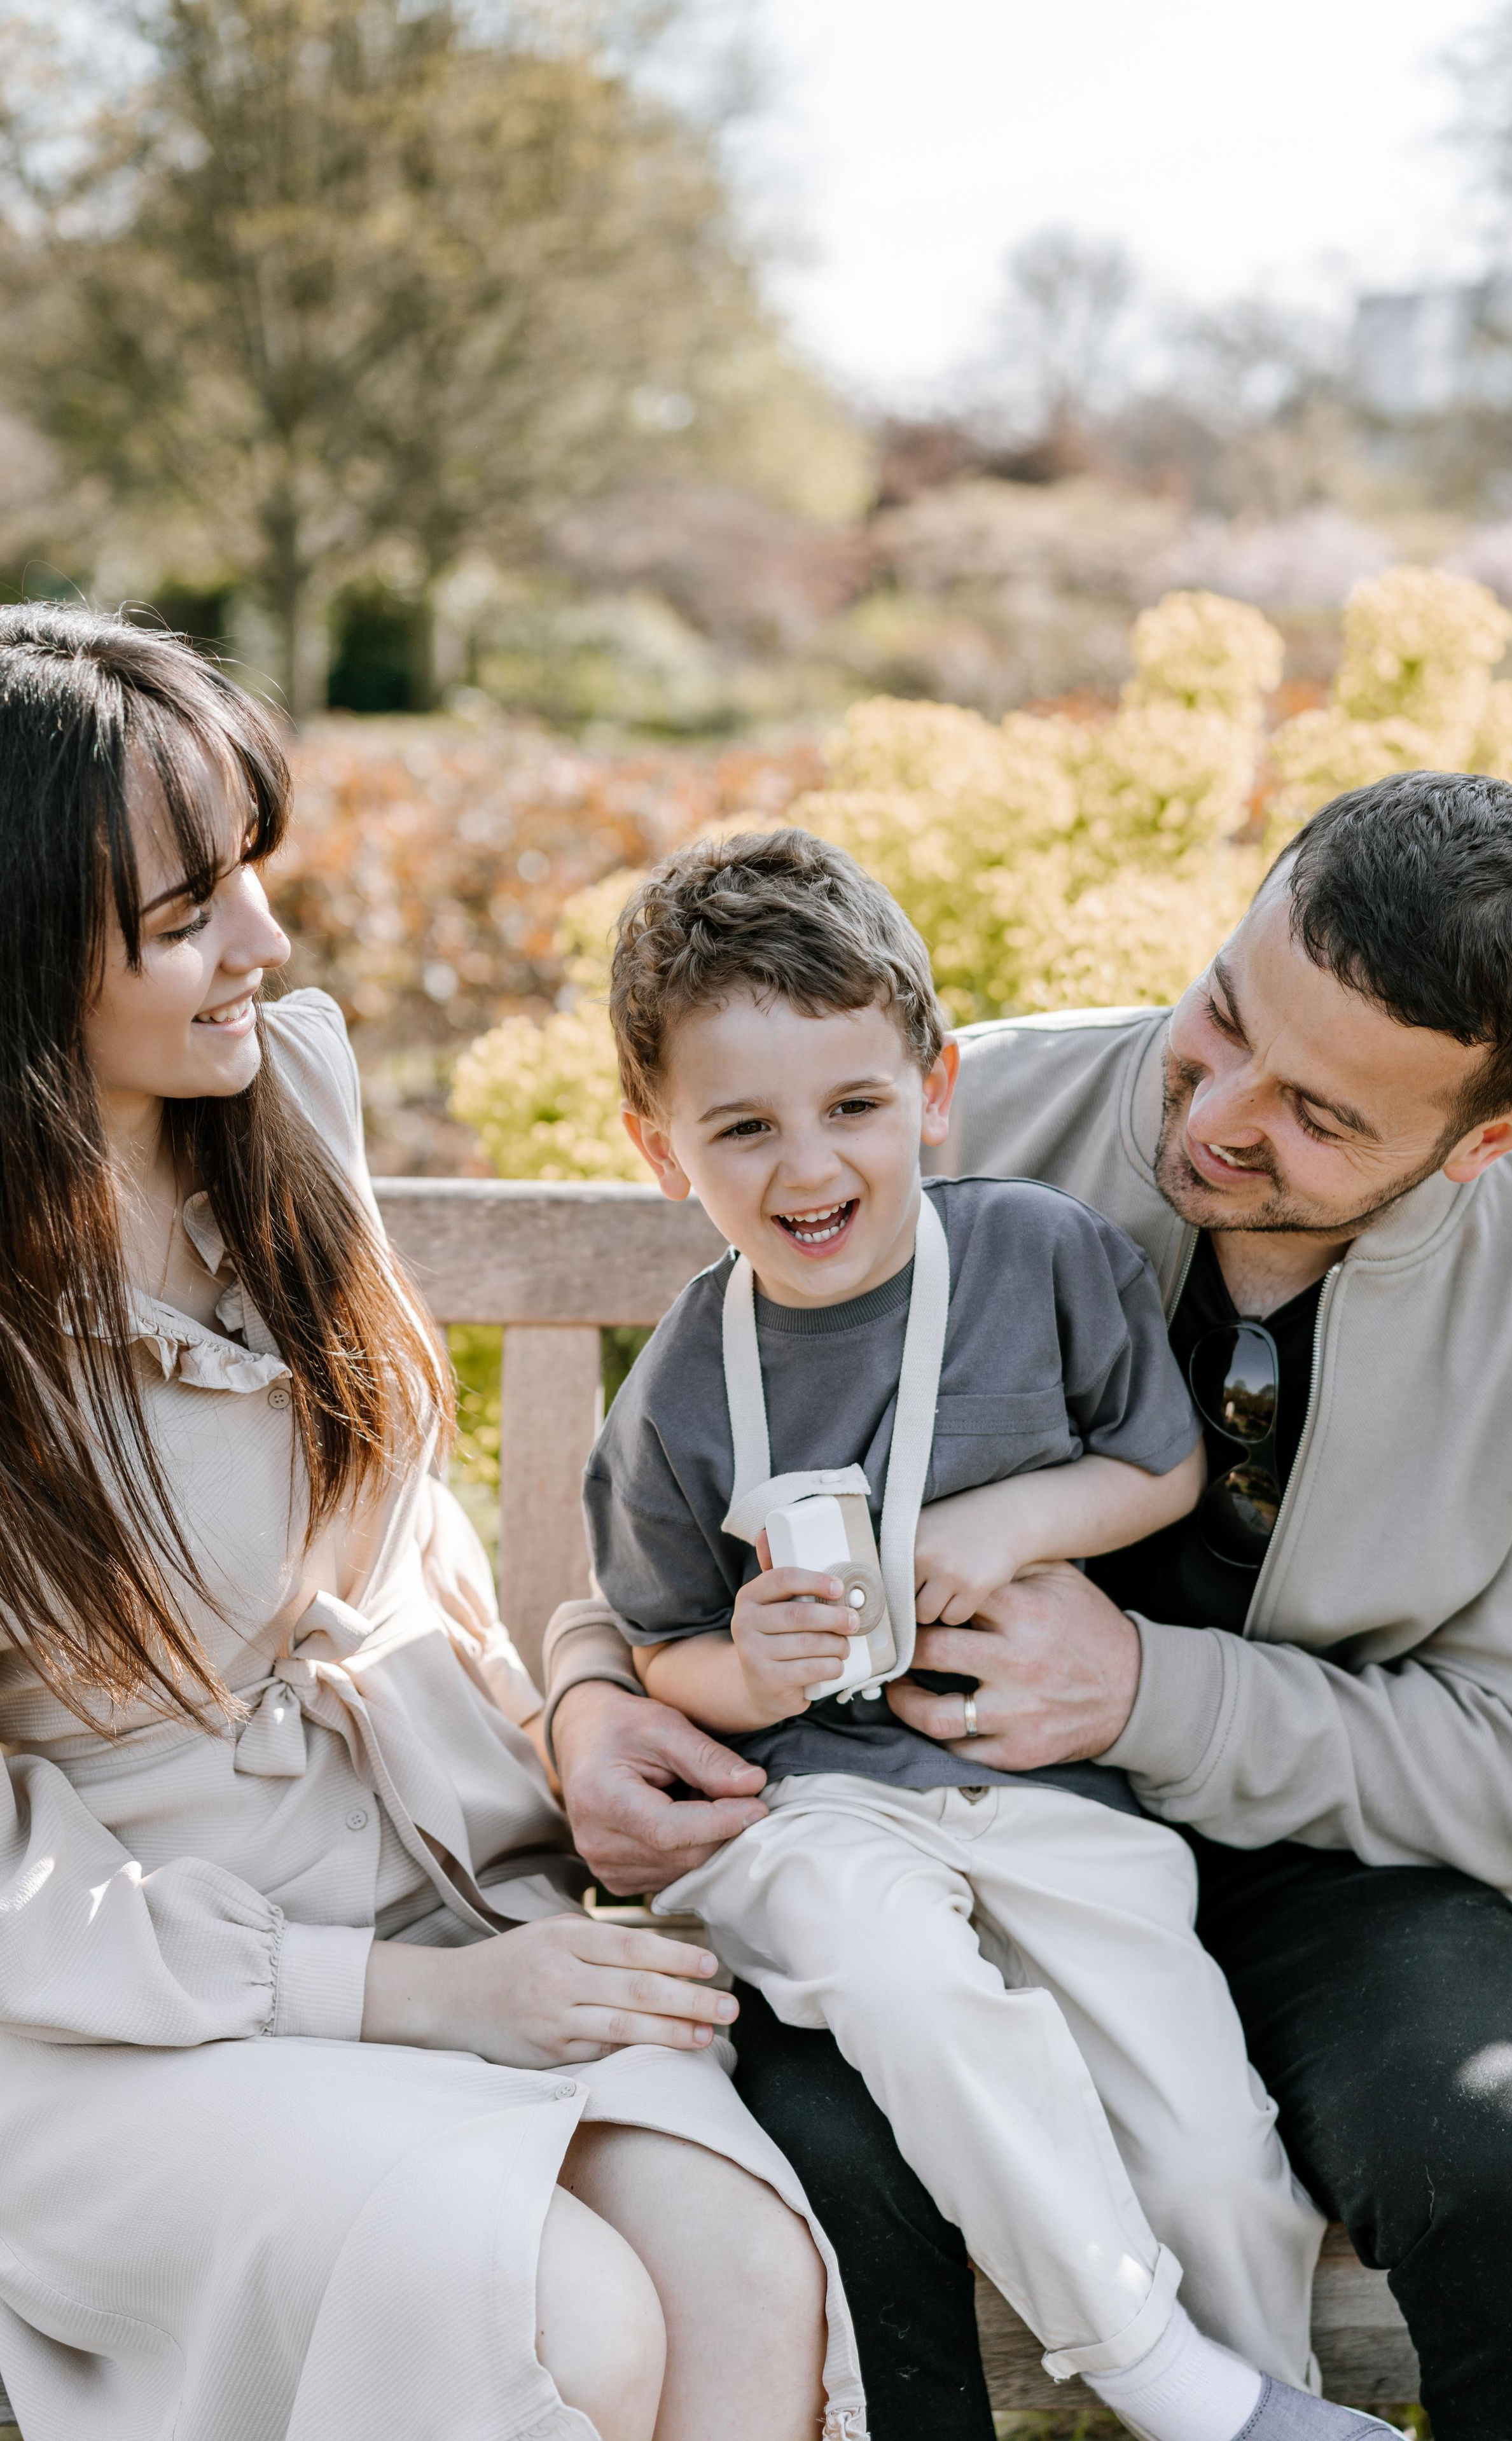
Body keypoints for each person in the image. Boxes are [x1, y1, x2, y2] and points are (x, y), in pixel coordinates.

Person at [545, 769, 1512, 2441]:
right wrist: (594, 1703)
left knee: (1496, 2171)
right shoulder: (978, 1111)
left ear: (1490, 1140)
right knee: (840, 2156)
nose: (1217, 1116)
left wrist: (1144, 1697)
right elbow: (683, 1503)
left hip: (1352, 1871)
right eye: (1224, 1014)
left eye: (1323, 1119)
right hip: (916, 1826)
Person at [0, 604, 864, 2441]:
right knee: (560, 2327)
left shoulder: (277, 1091)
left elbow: (407, 1538)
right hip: (121, 2008)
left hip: (455, 1884)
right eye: (185, 913)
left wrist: (574, 1713)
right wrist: (409, 2000)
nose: (266, 939)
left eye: (254, 865)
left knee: (741, 2277)